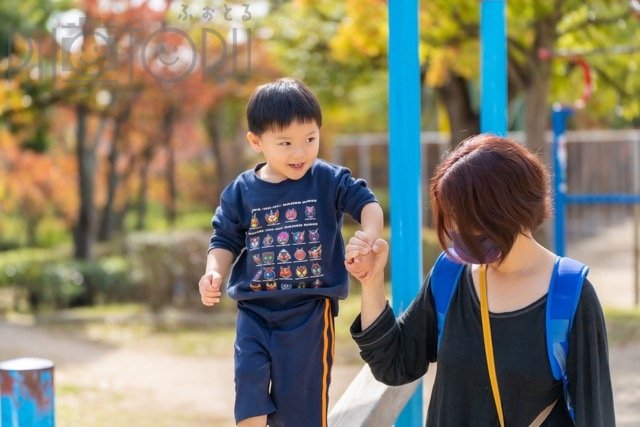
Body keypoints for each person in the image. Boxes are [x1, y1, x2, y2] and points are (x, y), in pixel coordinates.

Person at [344, 134, 615, 426]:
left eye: (466, 218)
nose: (457, 230)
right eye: (453, 219)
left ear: (504, 212)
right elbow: (394, 364)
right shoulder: (451, 274)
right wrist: (371, 280)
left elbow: (594, 414)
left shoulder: (570, 294)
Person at [198, 77, 383, 427]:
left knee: (300, 411)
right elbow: (224, 239)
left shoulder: (327, 179)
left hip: (308, 314)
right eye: (285, 143)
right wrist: (214, 272)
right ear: (257, 141)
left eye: (310, 139)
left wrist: (368, 237)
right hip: (254, 313)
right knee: (250, 399)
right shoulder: (242, 191)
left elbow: (368, 204)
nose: (300, 153)